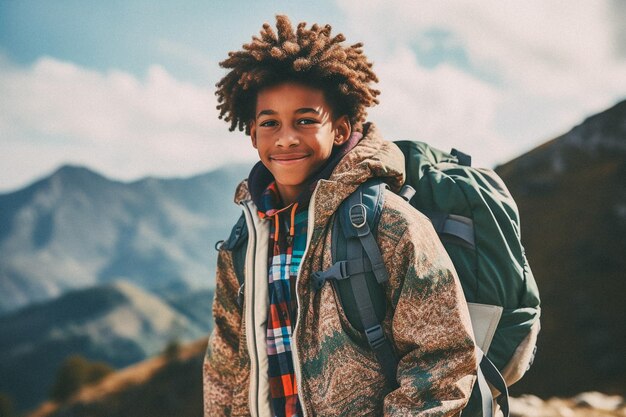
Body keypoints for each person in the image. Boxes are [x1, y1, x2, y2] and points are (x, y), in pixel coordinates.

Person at [203, 15, 477, 417]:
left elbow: (444, 358)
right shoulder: (244, 242)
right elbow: (226, 371)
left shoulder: (388, 223)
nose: (286, 137)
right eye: (270, 123)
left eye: (305, 120)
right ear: (252, 134)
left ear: (342, 127)